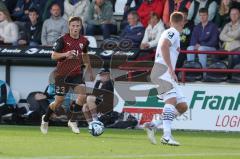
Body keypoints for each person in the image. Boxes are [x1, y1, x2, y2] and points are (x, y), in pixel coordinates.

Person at [40, 16, 94, 134]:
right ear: (69, 26)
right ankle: (45, 118)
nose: (75, 28)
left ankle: (72, 121)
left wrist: (89, 70)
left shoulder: (84, 41)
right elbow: (53, 56)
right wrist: (66, 54)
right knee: (59, 101)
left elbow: (85, 55)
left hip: (76, 73)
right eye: (73, 26)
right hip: (62, 74)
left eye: (77, 26)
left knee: (83, 95)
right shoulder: (62, 39)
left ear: (81, 27)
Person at [143, 12, 188, 146]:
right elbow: (163, 46)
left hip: (164, 72)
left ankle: (153, 125)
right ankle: (166, 136)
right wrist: (170, 68)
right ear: (181, 22)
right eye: (184, 22)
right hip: (163, 71)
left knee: (182, 106)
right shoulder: (173, 32)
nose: (183, 25)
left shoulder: (172, 32)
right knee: (171, 101)